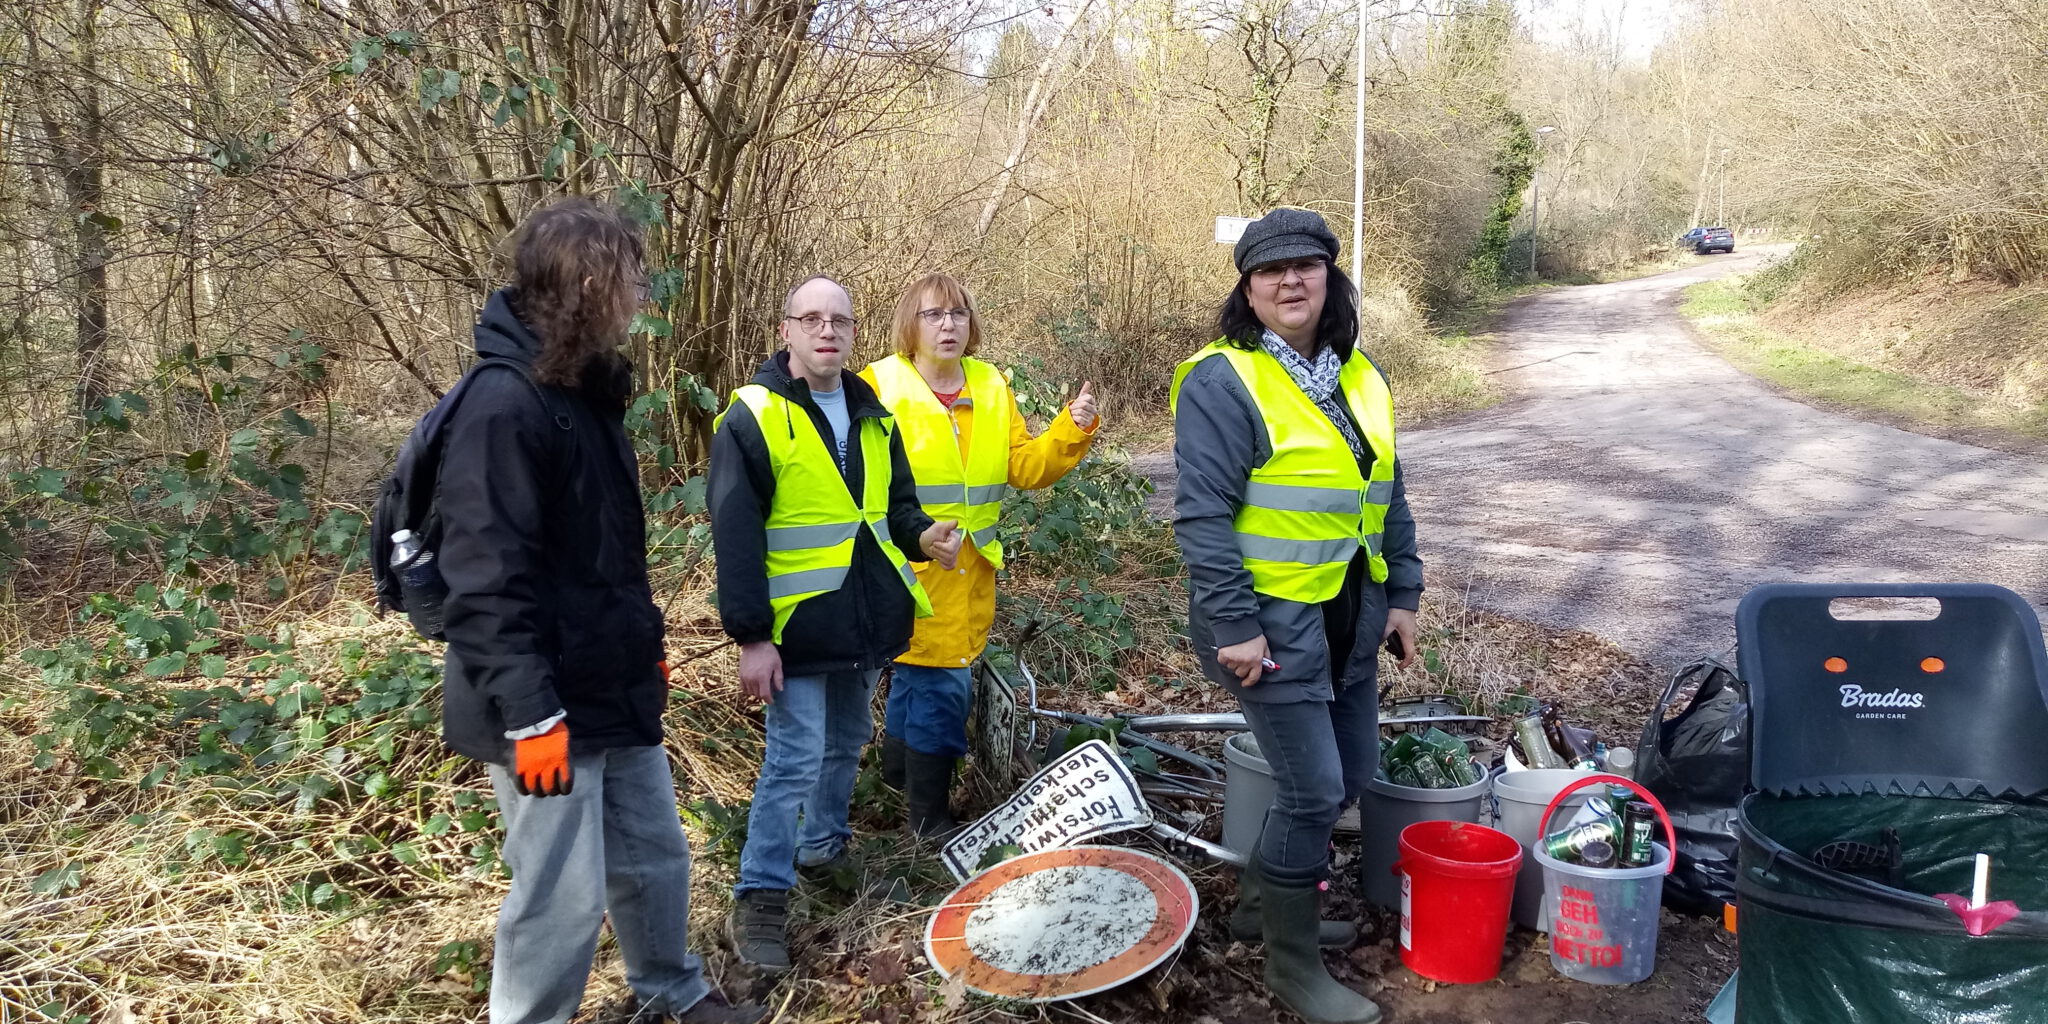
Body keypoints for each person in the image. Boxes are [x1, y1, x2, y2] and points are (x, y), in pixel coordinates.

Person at [435, 198, 761, 1024]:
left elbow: (604, 561)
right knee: (561, 899)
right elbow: (483, 582)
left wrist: (640, 647)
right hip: (541, 707)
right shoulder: (501, 408)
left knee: (655, 857)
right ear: (589, 284)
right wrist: (531, 713)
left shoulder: (585, 394)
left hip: (610, 685)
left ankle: (672, 995)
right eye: (631, 279)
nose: (641, 297)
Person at [1169, 208, 1422, 1024]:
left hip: (1349, 613)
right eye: (1269, 271)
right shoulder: (1223, 379)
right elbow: (1203, 516)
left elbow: (1389, 497)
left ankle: (1257, 908)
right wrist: (1236, 624)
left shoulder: (1358, 375)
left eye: (1304, 266)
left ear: (1328, 276)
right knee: (1313, 790)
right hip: (1265, 624)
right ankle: (1291, 966)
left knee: (1345, 777)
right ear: (1248, 288)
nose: (1289, 281)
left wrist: (1406, 596)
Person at [709, 275, 964, 972]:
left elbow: (895, 508)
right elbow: (735, 537)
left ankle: (822, 850)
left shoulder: (872, 412)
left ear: (855, 335)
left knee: (848, 738)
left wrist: (924, 537)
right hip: (795, 629)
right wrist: (751, 637)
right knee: (793, 757)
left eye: (841, 322)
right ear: (786, 330)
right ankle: (760, 895)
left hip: (864, 619)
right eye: (812, 319)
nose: (828, 332)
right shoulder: (754, 416)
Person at [858, 273, 1100, 834]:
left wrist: (1072, 427)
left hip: (971, 570)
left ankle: (897, 781)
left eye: (958, 315)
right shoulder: (879, 384)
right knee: (937, 686)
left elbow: (1025, 466)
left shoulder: (990, 384)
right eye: (934, 315)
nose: (948, 325)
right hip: (909, 566)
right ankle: (927, 817)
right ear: (909, 326)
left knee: (922, 680)